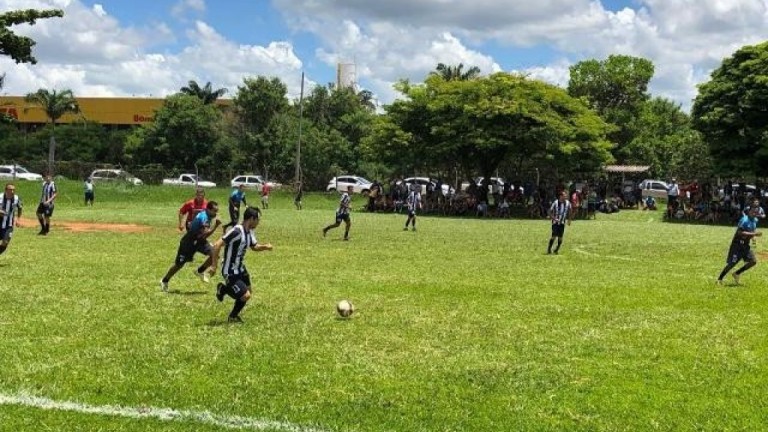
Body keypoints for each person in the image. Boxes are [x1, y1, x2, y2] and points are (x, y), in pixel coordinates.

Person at [208, 206, 273, 323]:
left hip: (240, 268)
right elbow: (217, 245)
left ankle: (232, 315)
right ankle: (223, 289)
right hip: (230, 270)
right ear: (251, 219)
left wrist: (265, 247)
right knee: (245, 295)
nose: (258, 222)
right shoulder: (236, 231)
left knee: (248, 292)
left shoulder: (249, 232)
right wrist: (214, 265)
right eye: (258, 219)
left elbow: (254, 246)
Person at [160, 201, 221, 292]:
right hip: (188, 242)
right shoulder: (204, 217)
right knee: (179, 265)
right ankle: (164, 281)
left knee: (214, 254)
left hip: (199, 241)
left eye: (216, 211)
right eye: (214, 211)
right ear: (208, 209)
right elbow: (205, 235)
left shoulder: (206, 215)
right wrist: (216, 226)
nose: (215, 213)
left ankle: (200, 271)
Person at [717, 205, 762, 285]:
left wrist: (753, 238)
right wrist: (754, 234)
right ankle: (719, 279)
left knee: (753, 261)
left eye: (756, 212)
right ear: (749, 211)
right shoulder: (744, 220)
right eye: (753, 211)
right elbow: (740, 233)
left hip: (746, 245)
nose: (754, 213)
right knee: (732, 263)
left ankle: (737, 273)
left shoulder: (755, 220)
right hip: (737, 245)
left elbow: (752, 230)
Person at [0, 183, 22, 256]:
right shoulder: (0, 197)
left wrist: (18, 219)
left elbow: (20, 208)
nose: (12, 191)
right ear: (6, 190)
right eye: (10, 189)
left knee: (5, 242)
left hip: (9, 225)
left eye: (13, 190)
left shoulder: (17, 198)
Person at [547, 190, 572, 255]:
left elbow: (570, 211)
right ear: (560, 196)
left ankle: (557, 249)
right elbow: (549, 212)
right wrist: (554, 218)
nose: (565, 197)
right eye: (564, 196)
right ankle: (549, 249)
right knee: (554, 236)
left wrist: (569, 220)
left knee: (560, 238)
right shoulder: (555, 202)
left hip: (562, 223)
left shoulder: (568, 203)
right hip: (555, 223)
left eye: (566, 196)